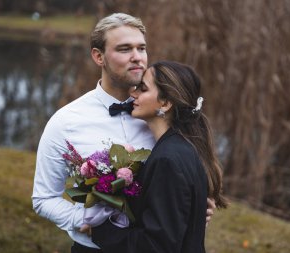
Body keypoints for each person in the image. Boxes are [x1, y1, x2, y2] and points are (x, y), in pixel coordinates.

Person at [32, 13, 216, 253]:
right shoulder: (66, 122)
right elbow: (43, 199)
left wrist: (193, 207)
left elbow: (184, 172)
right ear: (99, 57)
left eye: (142, 48)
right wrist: (86, 220)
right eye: (124, 49)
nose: (137, 58)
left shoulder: (161, 113)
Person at [90, 61, 228, 252]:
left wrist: (99, 230)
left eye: (143, 89)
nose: (133, 94)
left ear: (165, 103)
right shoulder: (185, 148)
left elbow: (155, 245)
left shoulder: (168, 160)